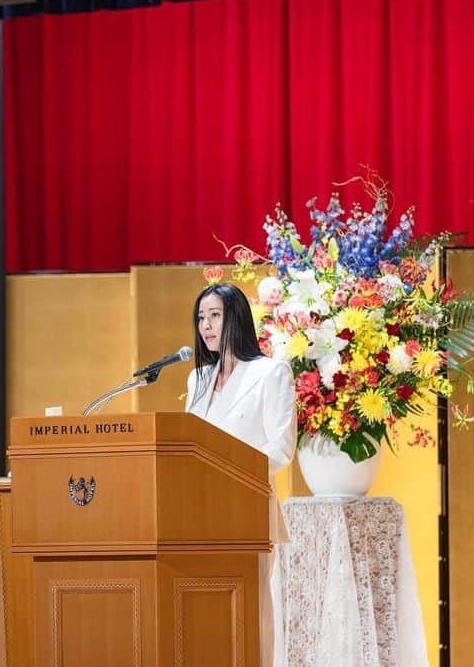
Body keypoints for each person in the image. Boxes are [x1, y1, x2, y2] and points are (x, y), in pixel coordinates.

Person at [185, 282, 296, 667]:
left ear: (237, 317)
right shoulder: (197, 380)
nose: (206, 326)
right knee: (205, 617)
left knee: (250, 614)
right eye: (201, 317)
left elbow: (280, 449)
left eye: (215, 315)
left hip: (246, 510)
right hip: (199, 515)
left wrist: (226, 474)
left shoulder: (270, 372)